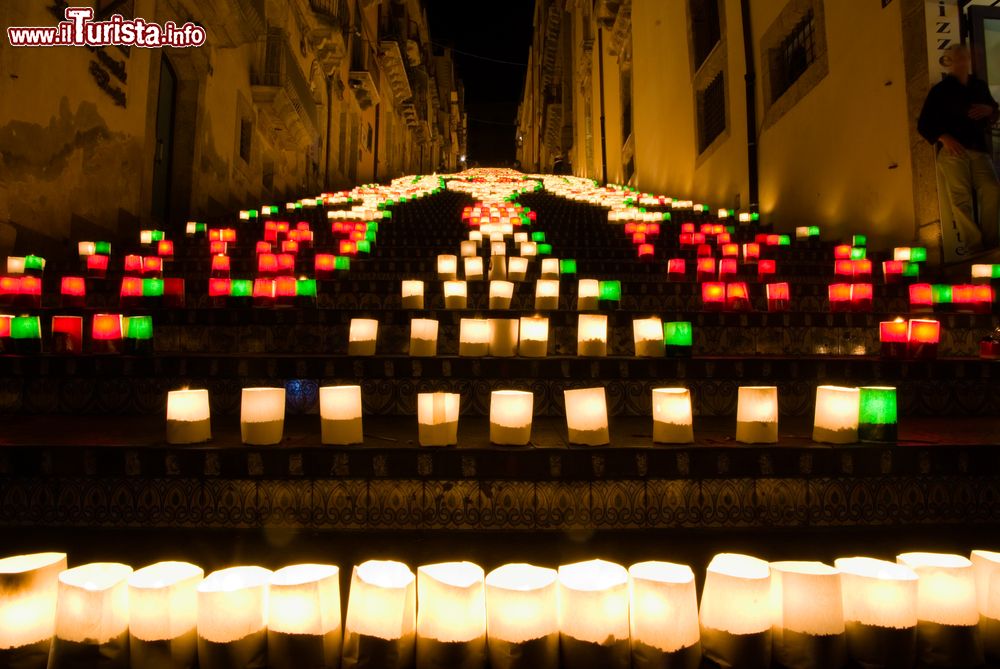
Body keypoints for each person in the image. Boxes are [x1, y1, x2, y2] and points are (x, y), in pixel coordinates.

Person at [918, 43, 1000, 253]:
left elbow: (994, 111)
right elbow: (924, 123)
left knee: (992, 188)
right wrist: (945, 138)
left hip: (978, 148)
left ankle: (990, 241)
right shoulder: (940, 90)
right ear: (950, 62)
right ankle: (974, 244)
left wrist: (989, 109)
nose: (963, 61)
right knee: (960, 197)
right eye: (958, 58)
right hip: (953, 151)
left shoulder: (978, 86)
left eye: (965, 57)